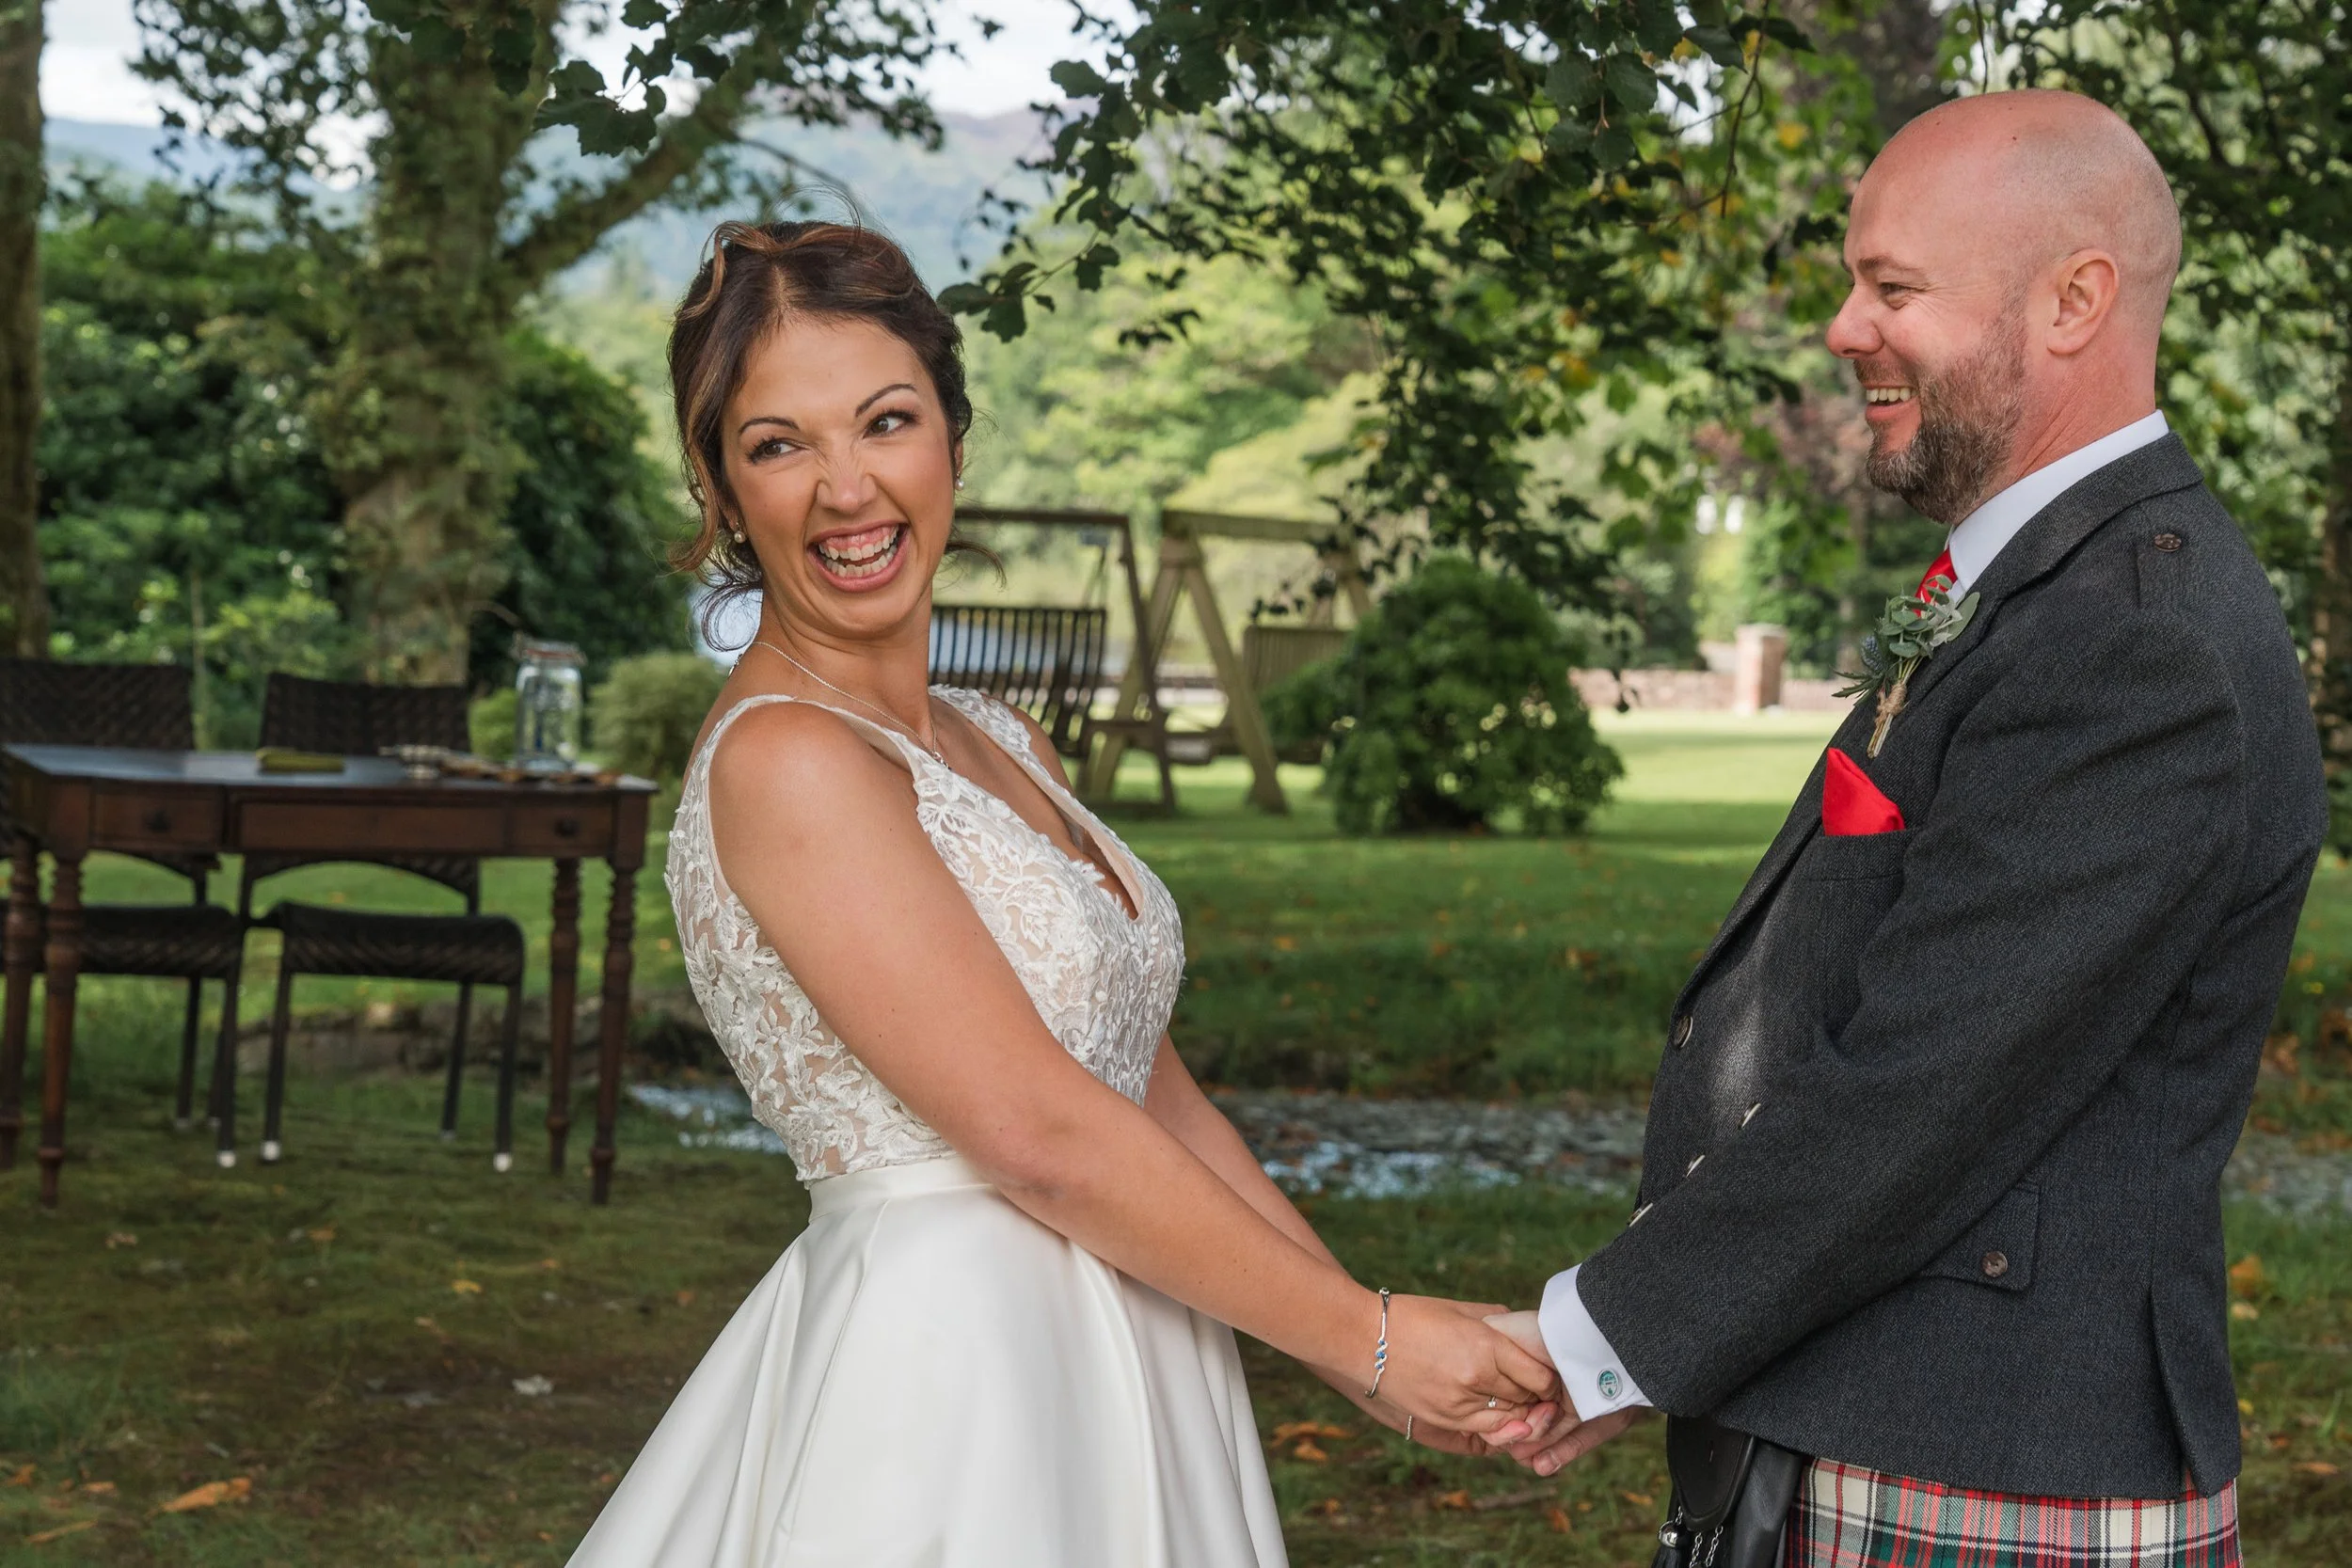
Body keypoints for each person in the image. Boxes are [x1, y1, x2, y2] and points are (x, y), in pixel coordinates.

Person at [565, 219, 1560, 1568]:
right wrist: (1373, 1337)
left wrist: (1361, 1352)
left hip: (1140, 1334)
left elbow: (1149, 1096)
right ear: (724, 492)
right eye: (779, 445)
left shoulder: (1002, 741)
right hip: (956, 1377)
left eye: (887, 421)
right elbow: (1035, 1130)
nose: (847, 488)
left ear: (952, 436)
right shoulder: (787, 761)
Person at [1486, 89, 2325, 1566]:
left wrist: (1599, 1337)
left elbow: (1928, 1088)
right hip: (1887, 1426)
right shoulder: (2040, 587)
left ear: (2074, 301)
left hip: (1982, 1474)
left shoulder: (2134, 638)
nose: (1842, 328)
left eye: (1893, 287)